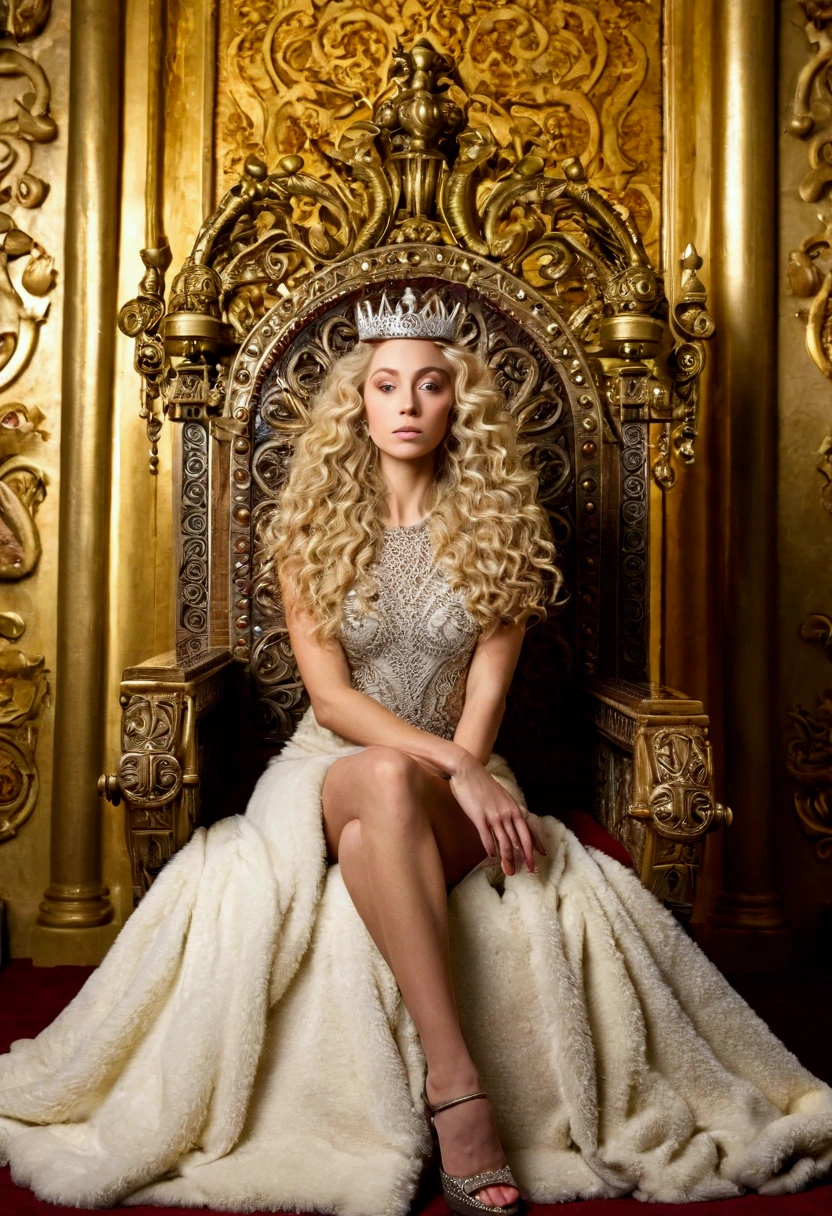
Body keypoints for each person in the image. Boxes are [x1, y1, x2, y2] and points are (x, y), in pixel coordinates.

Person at [1, 288, 831, 1215]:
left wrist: (470, 766)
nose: (405, 404)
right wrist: (458, 766)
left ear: (455, 404)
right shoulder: (311, 531)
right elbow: (331, 699)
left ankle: (447, 1089)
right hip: (326, 771)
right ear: (359, 401)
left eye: (428, 386)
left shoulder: (503, 532)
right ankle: (458, 1090)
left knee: (379, 826)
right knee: (381, 780)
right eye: (387, 385)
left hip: (455, 777)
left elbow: (485, 694)